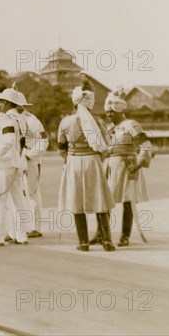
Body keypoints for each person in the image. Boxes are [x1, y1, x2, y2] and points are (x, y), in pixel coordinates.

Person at [57, 76, 116, 252]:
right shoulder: (98, 122)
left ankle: (83, 243)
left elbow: (61, 146)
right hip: (93, 162)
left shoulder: (66, 121)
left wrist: (68, 158)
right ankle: (107, 241)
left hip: (74, 161)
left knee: (77, 202)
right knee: (100, 201)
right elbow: (106, 146)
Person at [103, 88, 152, 247]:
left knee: (127, 201)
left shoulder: (131, 124)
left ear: (120, 110)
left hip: (127, 166)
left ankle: (125, 236)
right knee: (104, 200)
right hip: (110, 166)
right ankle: (102, 234)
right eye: (107, 112)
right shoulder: (109, 128)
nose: (109, 115)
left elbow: (146, 145)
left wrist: (138, 164)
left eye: (112, 112)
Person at [0, 88, 30, 246]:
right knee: (18, 201)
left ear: (8, 103)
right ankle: (21, 236)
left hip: (6, 163)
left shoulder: (7, 120)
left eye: (2, 102)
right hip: (17, 163)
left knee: (0, 200)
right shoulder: (20, 119)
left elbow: (8, 141)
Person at [15, 91, 49, 238]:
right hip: (17, 162)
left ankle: (36, 227)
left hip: (31, 162)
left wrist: (30, 155)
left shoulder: (32, 120)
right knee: (20, 194)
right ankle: (24, 227)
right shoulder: (13, 119)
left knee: (32, 194)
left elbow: (44, 140)